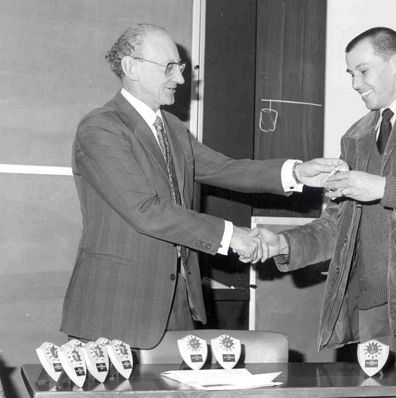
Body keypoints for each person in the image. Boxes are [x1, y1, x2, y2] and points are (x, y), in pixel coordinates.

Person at [60, 23, 345, 350]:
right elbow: (146, 211)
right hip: (115, 309)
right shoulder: (101, 128)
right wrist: (231, 235)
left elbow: (225, 168)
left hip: (176, 310)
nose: (180, 80)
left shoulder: (172, 130)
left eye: (181, 69)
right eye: (169, 68)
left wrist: (297, 173)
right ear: (131, 67)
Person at [253, 27, 396, 388]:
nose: (355, 83)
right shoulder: (355, 135)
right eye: (350, 74)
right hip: (370, 307)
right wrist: (284, 244)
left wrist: (382, 188)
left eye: (362, 70)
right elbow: (335, 226)